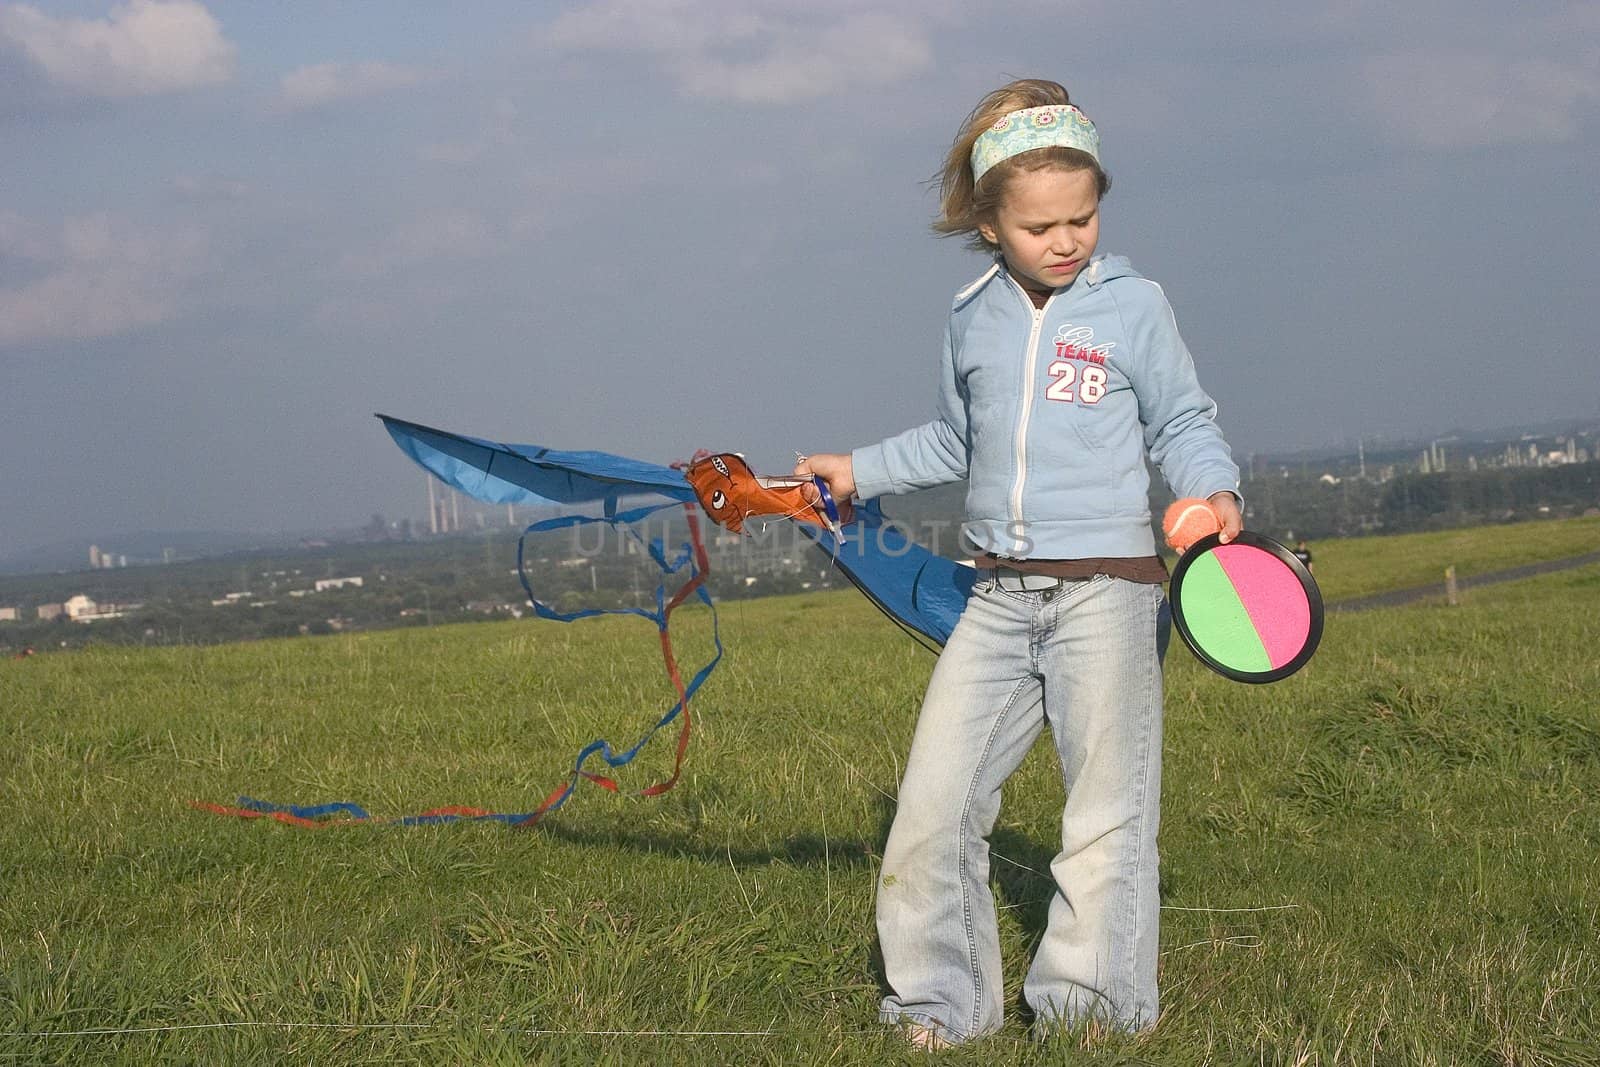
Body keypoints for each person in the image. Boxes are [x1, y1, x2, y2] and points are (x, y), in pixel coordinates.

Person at [797, 78, 1242, 1046]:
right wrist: (857, 471)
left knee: (1104, 816)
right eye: (1040, 224)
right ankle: (937, 1006)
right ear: (989, 222)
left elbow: (1184, 421)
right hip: (996, 596)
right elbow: (957, 443)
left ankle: (1090, 1013)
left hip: (1110, 593)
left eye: (1082, 217)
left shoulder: (1132, 306)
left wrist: (1214, 496)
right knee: (930, 803)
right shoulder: (971, 318)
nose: (1066, 240)